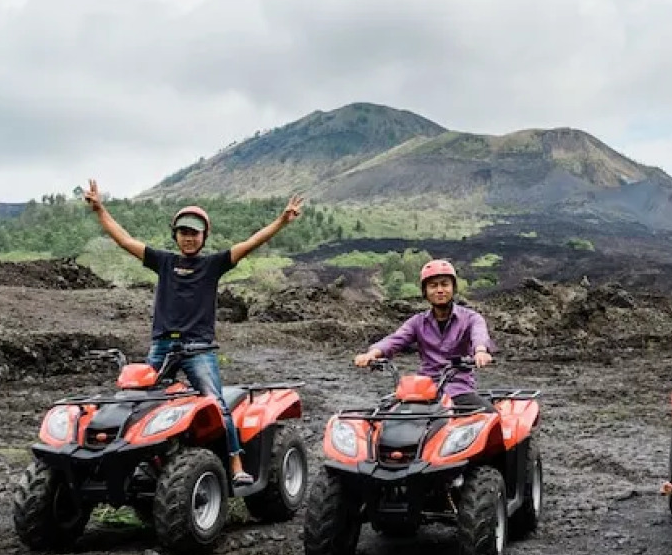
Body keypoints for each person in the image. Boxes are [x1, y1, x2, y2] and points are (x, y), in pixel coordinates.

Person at [84, 180, 304, 485]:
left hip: (198, 349)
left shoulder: (213, 265)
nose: (188, 238)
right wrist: (100, 210)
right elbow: (124, 240)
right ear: (175, 235)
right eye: (183, 232)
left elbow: (252, 243)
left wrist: (281, 221)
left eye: (193, 233)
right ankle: (139, 464)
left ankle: (236, 463)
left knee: (215, 402)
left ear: (204, 237)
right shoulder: (163, 262)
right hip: (161, 347)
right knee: (137, 402)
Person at [354, 259, 495, 411]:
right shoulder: (417, 322)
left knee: (490, 415)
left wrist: (480, 352)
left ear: (453, 288)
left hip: (458, 390)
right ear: (425, 292)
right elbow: (395, 339)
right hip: (424, 390)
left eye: (444, 284)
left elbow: (479, 335)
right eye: (433, 286)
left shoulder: (471, 318)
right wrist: (371, 354)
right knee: (385, 419)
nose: (440, 290)